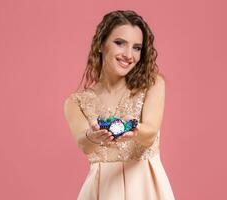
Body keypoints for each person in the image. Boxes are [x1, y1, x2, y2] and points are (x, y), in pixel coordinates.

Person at [64, 10, 175, 200]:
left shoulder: (152, 84)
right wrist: (93, 136)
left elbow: (150, 133)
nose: (128, 55)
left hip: (146, 188)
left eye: (137, 48)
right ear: (100, 44)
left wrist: (135, 129)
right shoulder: (76, 102)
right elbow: (84, 144)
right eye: (120, 43)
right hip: (103, 191)